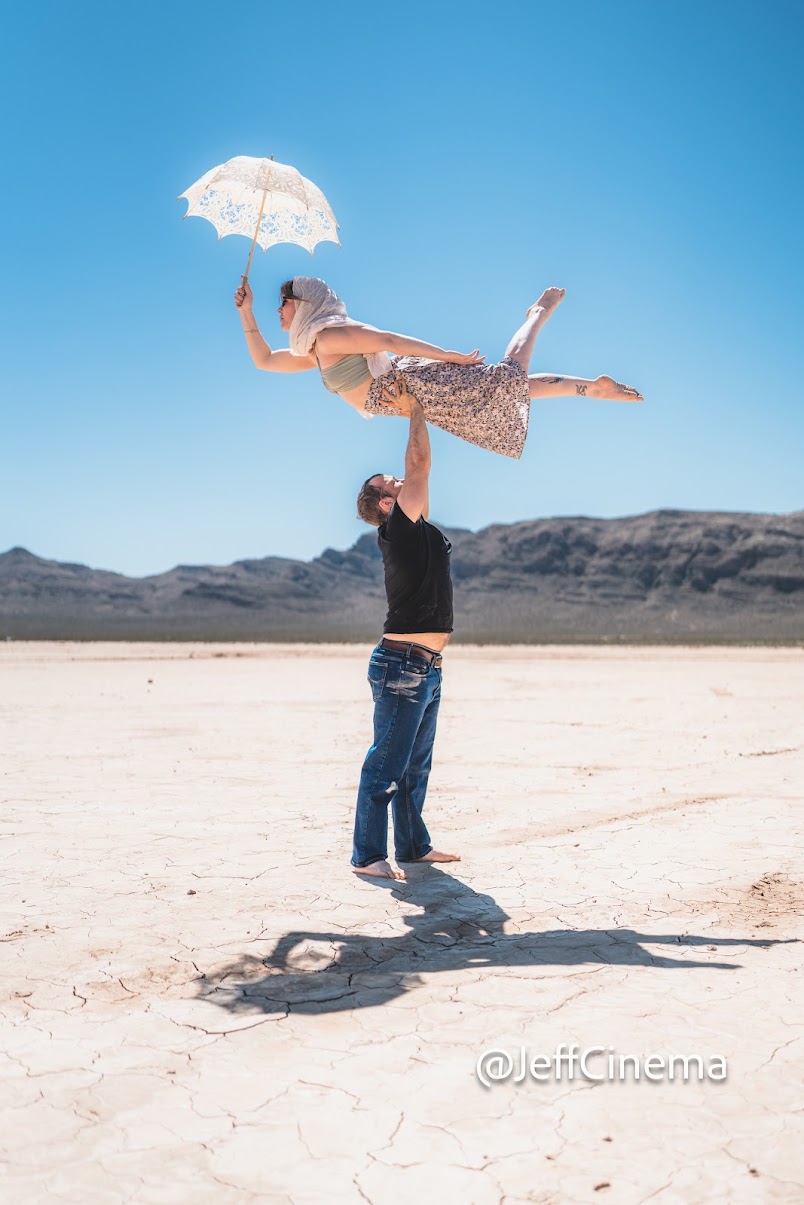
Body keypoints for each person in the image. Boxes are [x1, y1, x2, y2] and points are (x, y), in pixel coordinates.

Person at [234, 276, 643, 460]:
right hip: (412, 398)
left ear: (304, 304)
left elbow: (390, 341)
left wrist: (450, 357)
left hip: (414, 383)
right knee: (502, 390)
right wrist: (246, 312)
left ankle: (538, 313)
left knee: (503, 379)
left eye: (283, 303)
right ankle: (592, 388)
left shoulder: (331, 338)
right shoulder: (315, 351)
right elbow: (265, 360)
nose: (279, 311)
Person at [351, 377, 459, 880]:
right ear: (385, 505)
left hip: (427, 667)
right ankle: (368, 856)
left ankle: (413, 846)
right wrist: (417, 408)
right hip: (402, 665)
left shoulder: (414, 527)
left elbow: (419, 473)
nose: (398, 479)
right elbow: (419, 464)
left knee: (417, 766)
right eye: (386, 482)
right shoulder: (395, 528)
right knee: (386, 766)